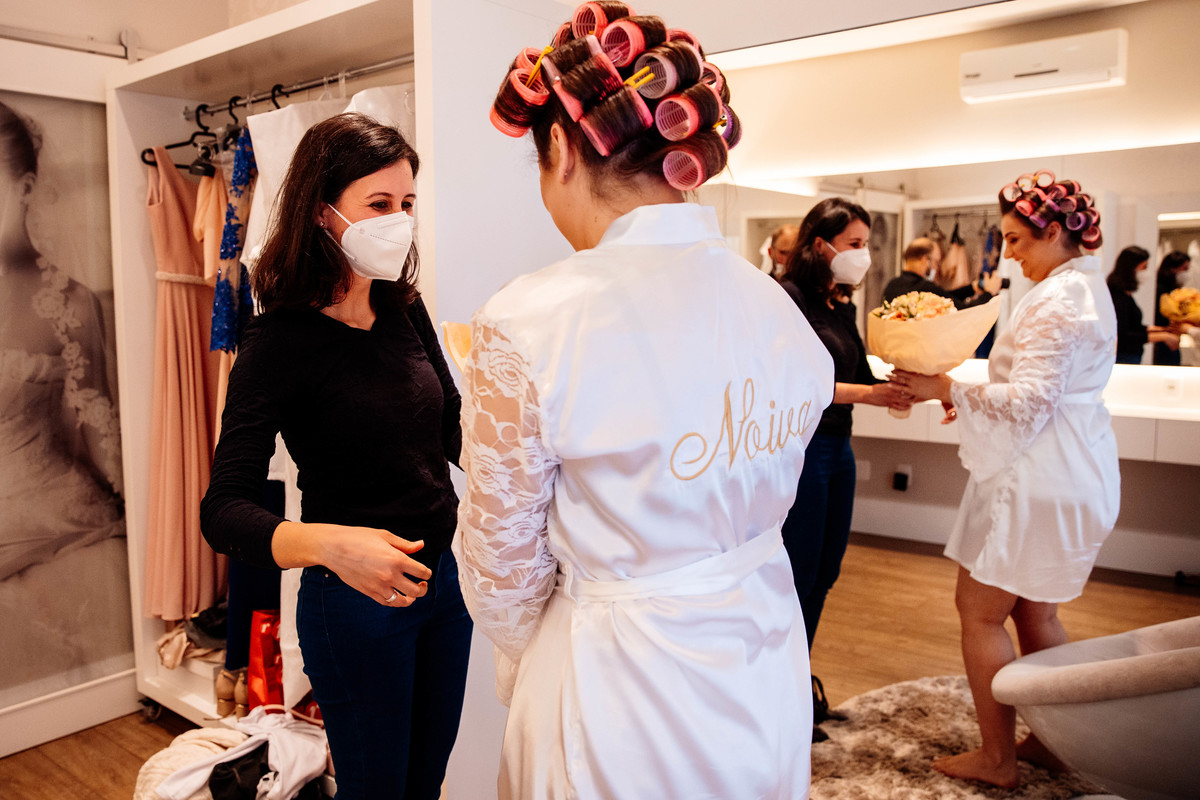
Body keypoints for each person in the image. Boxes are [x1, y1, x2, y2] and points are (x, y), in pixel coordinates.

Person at [455, 6, 835, 797]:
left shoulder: (530, 320)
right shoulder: (774, 306)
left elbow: (500, 567)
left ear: (560, 150)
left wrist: (538, 653)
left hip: (618, 681)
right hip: (762, 646)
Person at [199, 113, 471, 800]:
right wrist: (331, 546)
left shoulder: (404, 308)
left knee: (425, 785)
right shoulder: (277, 342)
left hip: (445, 587)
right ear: (323, 212)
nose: (399, 220)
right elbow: (224, 510)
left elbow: (451, 430)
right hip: (356, 605)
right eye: (379, 204)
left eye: (407, 203)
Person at [892, 171, 1120, 789]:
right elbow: (1038, 395)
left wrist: (947, 388)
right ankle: (1052, 740)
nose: (1010, 253)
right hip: (1072, 466)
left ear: (1055, 232)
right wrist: (971, 400)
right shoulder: (1086, 287)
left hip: (1035, 476)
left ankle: (998, 758)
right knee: (1038, 614)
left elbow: (1028, 402)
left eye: (1017, 240)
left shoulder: (1055, 301)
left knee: (981, 612)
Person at [776, 197, 913, 740]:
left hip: (840, 449)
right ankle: (783, 693)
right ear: (821, 244)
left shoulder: (839, 304)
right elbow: (793, 382)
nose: (864, 254)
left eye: (866, 244)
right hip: (804, 451)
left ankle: (797, 683)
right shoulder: (787, 299)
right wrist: (873, 395)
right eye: (855, 244)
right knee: (799, 575)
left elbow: (858, 372)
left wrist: (913, 380)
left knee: (826, 573)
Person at [1, 100, 124, 580]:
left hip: (48, 526)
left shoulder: (70, 304)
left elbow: (99, 432)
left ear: (25, 188)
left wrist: (132, 507)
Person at [1106, 245, 1179, 364]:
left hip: (1129, 355)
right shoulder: (1118, 296)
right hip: (1124, 357)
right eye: (1144, 267)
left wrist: (1160, 330)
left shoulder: (1124, 294)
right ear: (1131, 268)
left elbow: (1132, 326)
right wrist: (1163, 336)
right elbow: (1123, 335)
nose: (1146, 272)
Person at [882, 236, 1001, 308]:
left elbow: (945, 297)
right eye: (936, 261)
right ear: (925, 260)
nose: (936, 267)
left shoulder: (892, 285)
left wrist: (971, 288)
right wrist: (990, 293)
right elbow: (965, 311)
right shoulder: (925, 288)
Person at [1153, 250, 1193, 366]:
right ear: (1172, 268)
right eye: (1184, 269)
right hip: (1162, 340)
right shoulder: (1161, 290)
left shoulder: (1175, 292)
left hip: (1170, 338)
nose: (1186, 273)